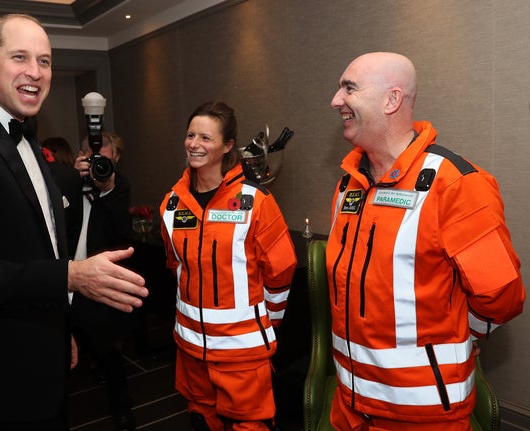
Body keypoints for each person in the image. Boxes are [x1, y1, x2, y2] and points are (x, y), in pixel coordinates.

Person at [0, 14, 147, 430]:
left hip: (47, 352)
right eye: (19, 57)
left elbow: (36, 249)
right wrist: (73, 276)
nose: (35, 72)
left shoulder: (26, 139)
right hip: (1, 372)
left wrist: (61, 331)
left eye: (44, 61)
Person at [327, 52, 525, 431]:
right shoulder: (348, 184)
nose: (336, 100)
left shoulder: (456, 184)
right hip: (350, 405)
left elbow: (502, 296)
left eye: (349, 88)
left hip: (422, 413)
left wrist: (456, 333)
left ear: (392, 99)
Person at [160, 101, 297, 431]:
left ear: (227, 146)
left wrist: (264, 325)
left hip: (243, 354)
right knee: (201, 422)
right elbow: (175, 267)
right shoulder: (171, 204)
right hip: (191, 349)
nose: (195, 144)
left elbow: (280, 274)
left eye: (206, 138)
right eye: (191, 135)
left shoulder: (256, 202)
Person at [71, 131, 136, 431]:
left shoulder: (119, 186)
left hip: (97, 278)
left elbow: (121, 232)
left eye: (104, 157)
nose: (97, 162)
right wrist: (70, 179)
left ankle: (123, 410)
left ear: (117, 159)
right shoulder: (68, 181)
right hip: (65, 275)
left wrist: (106, 188)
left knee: (107, 352)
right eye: (90, 155)